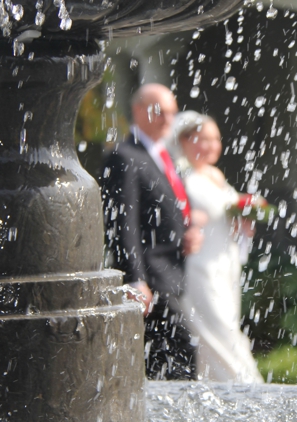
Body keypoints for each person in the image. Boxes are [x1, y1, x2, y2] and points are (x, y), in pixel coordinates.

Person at [100, 84, 203, 380]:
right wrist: (134, 278)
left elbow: (169, 208)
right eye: (160, 111)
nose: (167, 118)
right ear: (138, 110)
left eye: (172, 112)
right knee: (180, 350)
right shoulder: (124, 155)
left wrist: (187, 231)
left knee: (163, 358)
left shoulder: (161, 154)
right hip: (150, 275)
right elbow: (123, 222)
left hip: (171, 271)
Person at [173, 111, 264, 383]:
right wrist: (186, 222)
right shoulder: (179, 176)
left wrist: (245, 217)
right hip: (201, 268)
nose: (212, 146)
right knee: (220, 334)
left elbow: (224, 219)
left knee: (226, 333)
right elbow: (171, 217)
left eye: (216, 139)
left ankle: (214, 401)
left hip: (226, 265)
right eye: (204, 139)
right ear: (185, 141)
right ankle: (250, 393)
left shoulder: (215, 174)